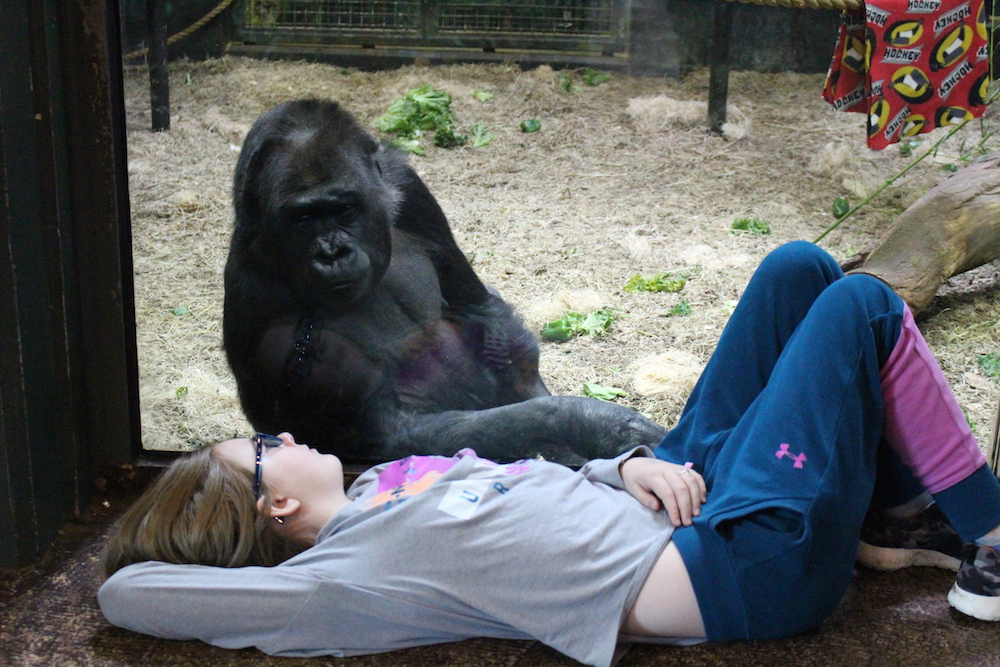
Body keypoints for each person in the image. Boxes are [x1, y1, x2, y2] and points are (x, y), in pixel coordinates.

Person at [98, 242, 1000, 666]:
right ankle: (989, 535)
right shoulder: (343, 579)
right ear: (273, 510)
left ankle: (880, 513)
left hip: (671, 491)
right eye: (264, 450)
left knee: (798, 271)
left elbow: (533, 492)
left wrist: (625, 466)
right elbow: (127, 591)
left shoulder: (384, 485)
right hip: (737, 564)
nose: (283, 434)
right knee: (860, 305)